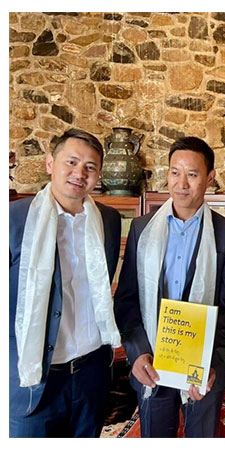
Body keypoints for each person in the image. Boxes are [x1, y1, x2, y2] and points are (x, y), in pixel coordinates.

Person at [114, 136, 225, 437]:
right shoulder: (143, 229)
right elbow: (127, 300)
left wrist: (211, 363)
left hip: (203, 370)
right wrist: (137, 353)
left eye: (192, 174)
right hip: (151, 364)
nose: (181, 184)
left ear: (210, 178)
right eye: (174, 172)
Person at [9, 128, 122, 437]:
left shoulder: (109, 221)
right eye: (71, 162)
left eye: (90, 167)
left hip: (91, 374)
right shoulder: (14, 219)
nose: (79, 173)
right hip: (33, 378)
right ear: (50, 163)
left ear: (98, 175)